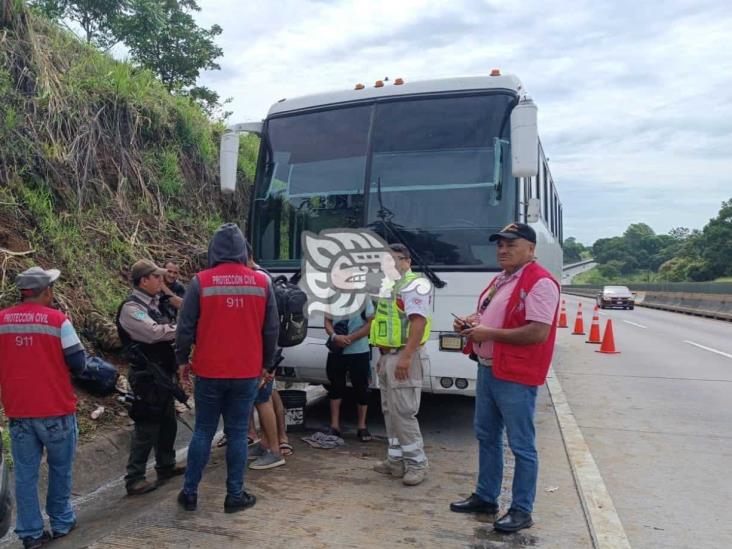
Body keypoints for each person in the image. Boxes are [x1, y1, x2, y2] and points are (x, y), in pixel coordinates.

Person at [449, 223, 560, 534]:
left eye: (511, 244)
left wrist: (489, 333)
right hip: (489, 367)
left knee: (522, 445)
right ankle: (486, 496)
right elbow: (492, 315)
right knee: (486, 436)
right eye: (499, 244)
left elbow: (538, 332)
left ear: (531, 248)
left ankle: (522, 509)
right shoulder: (502, 279)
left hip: (515, 373)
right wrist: (472, 323)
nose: (503, 250)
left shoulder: (540, 283)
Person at [175, 223, 279, 513]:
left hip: (209, 370)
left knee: (203, 431)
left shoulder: (200, 282)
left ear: (214, 251)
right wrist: (267, 365)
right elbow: (271, 330)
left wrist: (182, 360)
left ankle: (190, 493)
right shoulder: (262, 283)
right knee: (236, 433)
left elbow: (185, 327)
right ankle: (234, 495)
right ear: (243, 251)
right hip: (246, 371)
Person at [0, 267, 84, 548]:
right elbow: (79, 363)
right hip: (56, 409)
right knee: (61, 468)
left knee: (25, 474)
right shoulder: (59, 321)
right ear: (46, 291)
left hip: (19, 411)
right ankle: (61, 521)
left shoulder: (2, 321)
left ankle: (30, 533)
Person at [116, 259, 184, 496]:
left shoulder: (156, 303)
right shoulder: (131, 308)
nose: (161, 280)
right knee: (147, 426)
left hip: (162, 373)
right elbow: (153, 333)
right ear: (143, 280)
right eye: (156, 277)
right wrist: (184, 328)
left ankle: (166, 464)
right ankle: (134, 477)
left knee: (168, 422)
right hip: (146, 376)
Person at [369, 243, 432, 486]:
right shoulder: (389, 286)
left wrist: (405, 357)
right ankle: (395, 461)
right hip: (389, 357)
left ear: (407, 261)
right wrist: (383, 357)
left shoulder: (413, 285)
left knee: (404, 412)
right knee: (389, 410)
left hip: (405, 356)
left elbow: (418, 323)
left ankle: (418, 464)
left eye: (396, 260)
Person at [323, 298, 375, 441]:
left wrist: (351, 338)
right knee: (335, 388)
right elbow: (327, 321)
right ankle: (334, 426)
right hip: (337, 351)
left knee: (361, 388)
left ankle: (362, 427)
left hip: (359, 351)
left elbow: (371, 323)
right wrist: (334, 336)